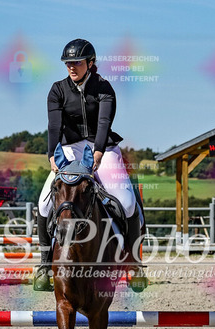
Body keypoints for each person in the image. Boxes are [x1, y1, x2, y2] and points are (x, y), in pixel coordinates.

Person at [34, 38, 144, 291]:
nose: (71, 67)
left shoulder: (104, 88)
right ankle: (44, 265)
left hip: (102, 148)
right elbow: (54, 125)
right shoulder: (57, 90)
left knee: (127, 202)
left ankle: (134, 264)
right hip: (69, 150)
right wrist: (52, 155)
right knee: (43, 204)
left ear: (91, 63)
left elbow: (104, 123)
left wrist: (98, 152)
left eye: (77, 62)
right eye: (68, 63)